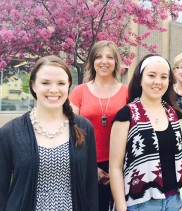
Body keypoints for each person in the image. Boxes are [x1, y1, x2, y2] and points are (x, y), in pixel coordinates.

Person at [0, 55, 98, 210]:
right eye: (45, 83)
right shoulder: (10, 133)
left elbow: (91, 187)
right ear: (33, 85)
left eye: (60, 83)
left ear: (68, 85)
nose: (53, 90)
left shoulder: (84, 128)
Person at [109, 54, 182, 211]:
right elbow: (115, 166)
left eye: (163, 77)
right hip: (140, 203)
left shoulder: (175, 115)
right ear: (140, 79)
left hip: (176, 201)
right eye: (151, 75)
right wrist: (121, 208)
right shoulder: (126, 115)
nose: (157, 82)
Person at [69, 40, 128, 211]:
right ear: (92, 61)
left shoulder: (126, 91)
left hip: (120, 165)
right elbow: (71, 130)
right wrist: (91, 167)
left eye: (109, 57)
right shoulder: (79, 91)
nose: (104, 61)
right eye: (99, 57)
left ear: (116, 62)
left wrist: (120, 169)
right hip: (86, 163)